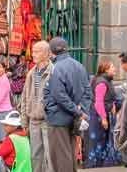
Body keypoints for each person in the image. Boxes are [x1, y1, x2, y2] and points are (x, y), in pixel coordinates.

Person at [43, 37, 91, 172]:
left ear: (52, 52)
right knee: (70, 155)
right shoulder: (79, 66)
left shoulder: (56, 68)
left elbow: (59, 96)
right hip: (73, 119)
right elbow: (88, 91)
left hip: (59, 119)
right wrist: (82, 111)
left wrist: (78, 111)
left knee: (60, 159)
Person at [20, 40, 53, 172]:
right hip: (33, 121)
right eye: (33, 51)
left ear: (46, 54)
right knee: (35, 156)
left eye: (37, 51)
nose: (33, 54)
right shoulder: (31, 73)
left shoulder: (53, 72)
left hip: (48, 121)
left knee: (49, 156)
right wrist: (24, 122)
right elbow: (24, 98)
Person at [85, 61, 120, 168]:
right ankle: (96, 164)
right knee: (98, 141)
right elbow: (99, 102)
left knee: (103, 140)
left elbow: (109, 97)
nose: (115, 69)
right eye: (112, 67)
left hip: (103, 115)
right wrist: (103, 118)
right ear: (106, 70)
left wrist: (113, 104)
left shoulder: (106, 81)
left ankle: (102, 162)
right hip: (98, 117)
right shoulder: (101, 83)